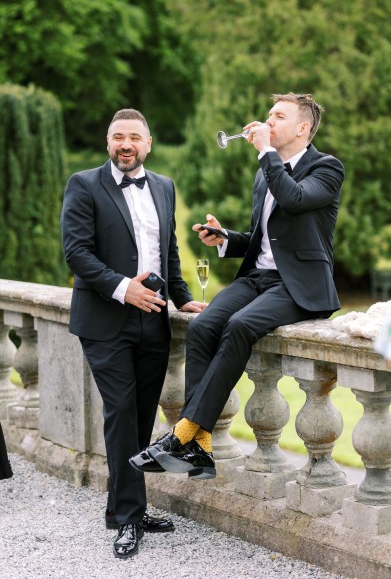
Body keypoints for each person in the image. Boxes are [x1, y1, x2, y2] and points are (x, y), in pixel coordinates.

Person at [131, 92, 345, 480]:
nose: (268, 121)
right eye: (269, 114)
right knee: (202, 327)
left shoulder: (327, 168)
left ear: (302, 128)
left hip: (300, 286)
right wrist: (227, 238)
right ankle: (201, 447)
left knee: (240, 326)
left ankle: (183, 433)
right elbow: (267, 239)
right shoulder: (265, 173)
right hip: (257, 278)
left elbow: (295, 200)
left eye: (278, 116)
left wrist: (267, 154)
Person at [61, 108, 205, 559]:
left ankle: (124, 509)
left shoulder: (163, 186)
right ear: (108, 143)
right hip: (105, 320)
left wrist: (181, 298)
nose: (127, 145)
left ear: (148, 143)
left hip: (154, 319)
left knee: (142, 417)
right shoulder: (84, 185)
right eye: (118, 137)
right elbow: (76, 253)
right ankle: (128, 519)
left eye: (135, 138)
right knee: (122, 413)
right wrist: (125, 290)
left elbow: (170, 250)